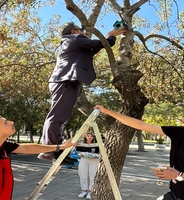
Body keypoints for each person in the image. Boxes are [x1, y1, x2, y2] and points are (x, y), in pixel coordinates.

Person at [94, 105, 184, 200]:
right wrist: (108, 112)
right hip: (175, 195)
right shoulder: (180, 133)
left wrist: (179, 175)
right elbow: (141, 124)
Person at [39, 22, 126, 161]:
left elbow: (94, 48)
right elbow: (102, 44)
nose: (84, 33)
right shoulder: (74, 39)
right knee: (57, 117)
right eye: (81, 30)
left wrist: (110, 36)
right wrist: (111, 35)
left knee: (61, 117)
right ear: (74, 31)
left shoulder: (72, 43)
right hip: (65, 81)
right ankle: (50, 150)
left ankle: (56, 150)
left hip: (66, 81)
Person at [76, 132, 100, 199]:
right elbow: (79, 152)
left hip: (93, 161)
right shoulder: (81, 144)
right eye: (88, 136)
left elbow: (98, 153)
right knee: (83, 175)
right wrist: (81, 154)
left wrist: (96, 156)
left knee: (92, 175)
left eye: (91, 136)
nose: (89, 137)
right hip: (84, 160)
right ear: (85, 137)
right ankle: (84, 191)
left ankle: (90, 191)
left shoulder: (96, 145)